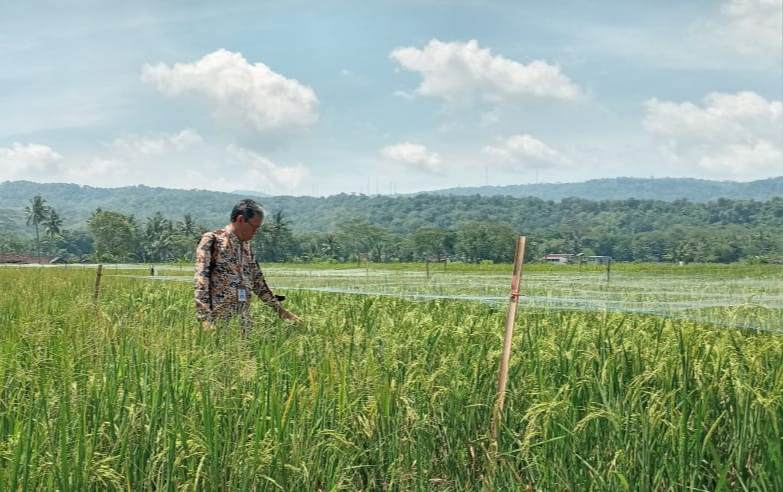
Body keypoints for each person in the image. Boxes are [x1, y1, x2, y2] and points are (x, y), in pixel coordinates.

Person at [195, 199, 300, 333]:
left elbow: (258, 282)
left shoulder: (246, 246)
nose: (255, 232)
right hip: (217, 322)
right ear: (240, 219)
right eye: (253, 227)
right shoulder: (212, 240)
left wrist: (281, 311)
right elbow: (200, 280)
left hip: (243, 323)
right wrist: (205, 319)